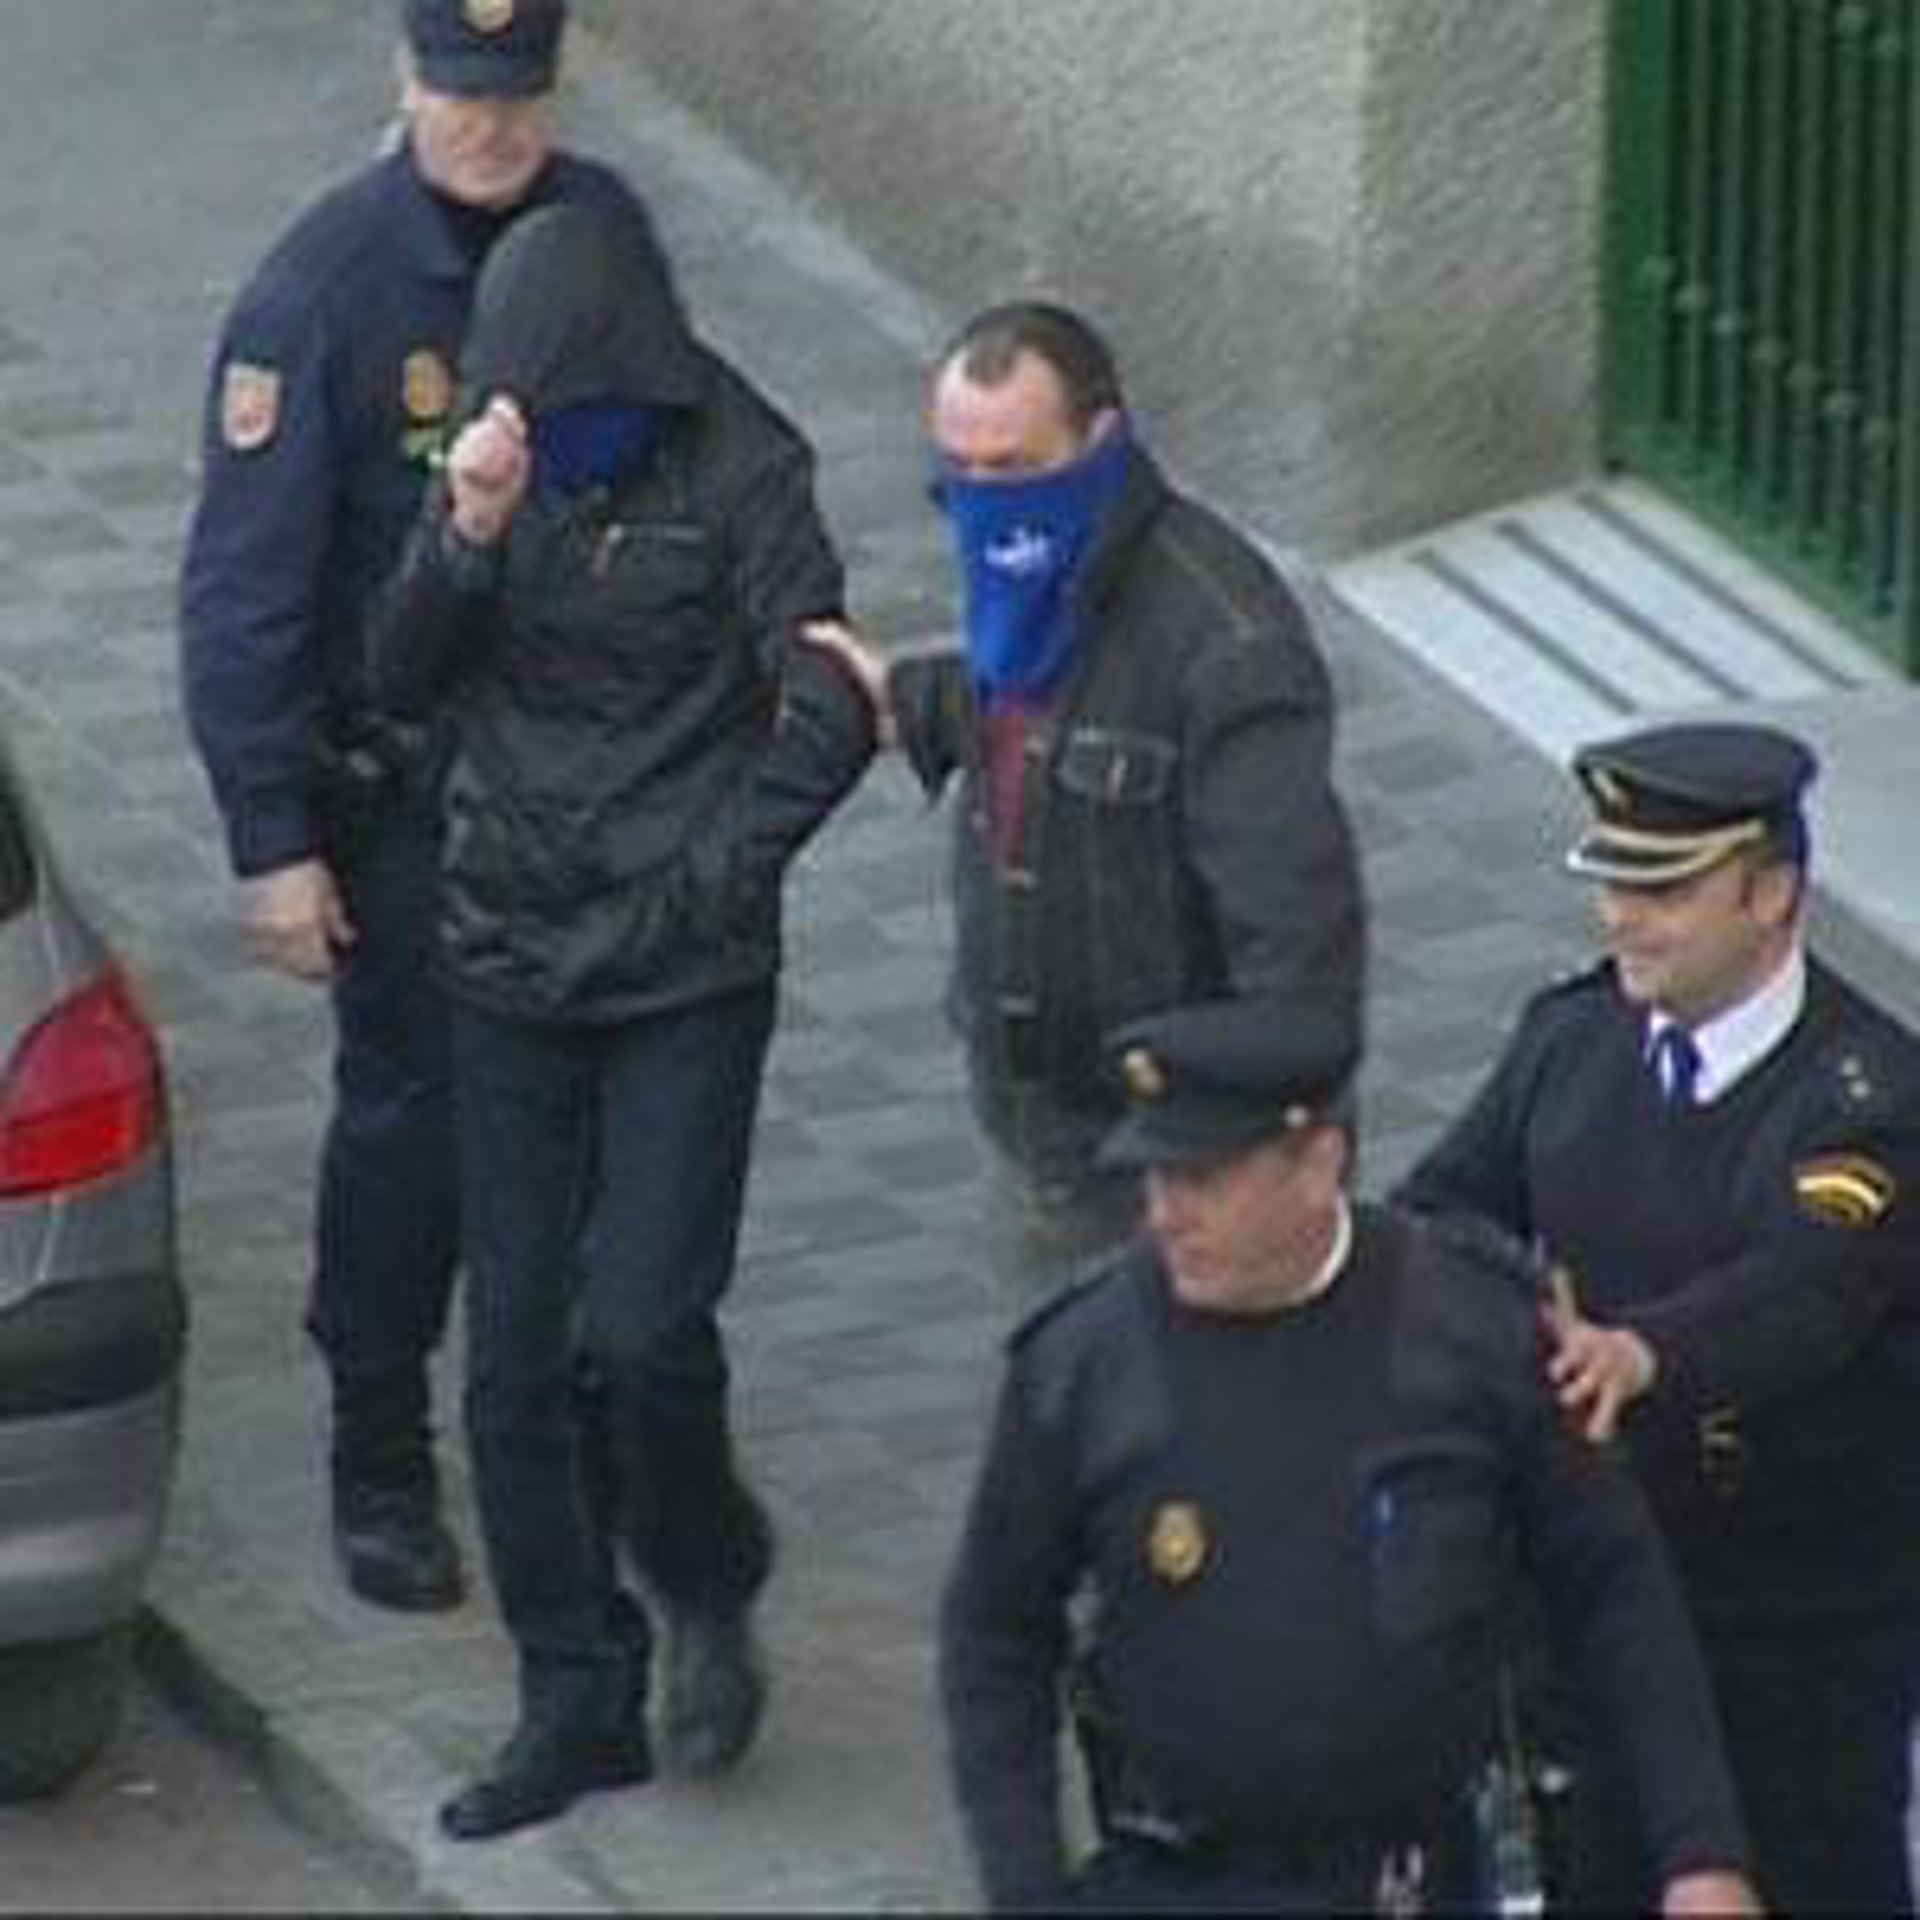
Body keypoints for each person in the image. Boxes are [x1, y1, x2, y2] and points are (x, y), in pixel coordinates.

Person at [365, 199, 877, 1840]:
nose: (538, 431)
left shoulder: (743, 466)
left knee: (645, 1329)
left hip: (682, 974)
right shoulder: (490, 457)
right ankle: (574, 1694)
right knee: (515, 1359)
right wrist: (464, 534)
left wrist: (716, 878)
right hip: (509, 953)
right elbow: (398, 675)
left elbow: (829, 702)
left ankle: (705, 1575)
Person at [178, 0, 674, 1614]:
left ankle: (581, 1439)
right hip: (412, 806)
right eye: (462, 94)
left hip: (589, 786)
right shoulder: (321, 291)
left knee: (603, 1121)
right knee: (417, 1136)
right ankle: (380, 1451)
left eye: (516, 93)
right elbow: (245, 599)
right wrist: (272, 841)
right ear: (405, 78)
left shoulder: (601, 235)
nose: (492, 125)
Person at [939, 995, 1759, 1914]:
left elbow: (1615, 1584)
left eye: (1203, 1179)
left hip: (1417, 1877)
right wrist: (1025, 1884)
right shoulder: (1087, 1363)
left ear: (1318, 1161)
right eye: (1156, 1177)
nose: (1166, 1214)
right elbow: (993, 1630)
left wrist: (1700, 1852)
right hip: (1177, 1879)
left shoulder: (1469, 1328)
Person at [1398, 720, 1920, 1911]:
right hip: (1598, 1599)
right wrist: (1518, 1311)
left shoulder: (1870, 1100)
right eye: (1615, 885)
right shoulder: (1573, 1040)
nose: (1623, 919)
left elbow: (1806, 1292)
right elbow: (1441, 1209)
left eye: (1665, 891)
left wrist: (1639, 1354)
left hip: (1787, 1630)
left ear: (1771, 894)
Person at [812, 302, 1366, 1309]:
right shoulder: (1035, 591)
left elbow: (1296, 940)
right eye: (960, 470)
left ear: (1101, 438)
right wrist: (912, 700)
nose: (985, 503)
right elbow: (1029, 708)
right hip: (1036, 1137)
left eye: (1015, 468)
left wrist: (1256, 1165)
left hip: (1172, 1157)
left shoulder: (1227, 644)